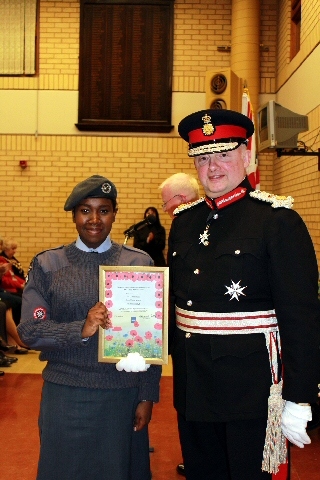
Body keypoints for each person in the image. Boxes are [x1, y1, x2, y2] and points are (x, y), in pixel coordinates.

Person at [168, 109, 320, 479]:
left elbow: (301, 316)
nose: (213, 167)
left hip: (251, 393)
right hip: (193, 386)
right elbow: (175, 303)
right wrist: (142, 348)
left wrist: (301, 395)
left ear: (245, 155)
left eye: (223, 154)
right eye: (203, 158)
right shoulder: (184, 222)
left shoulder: (276, 221)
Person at [17, 175, 161, 480]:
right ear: (74, 215)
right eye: (85, 210)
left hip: (121, 395)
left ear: (114, 213)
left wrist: (147, 396)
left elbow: (152, 340)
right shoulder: (48, 264)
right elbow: (29, 331)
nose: (94, 219)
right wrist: (80, 329)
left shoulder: (138, 263)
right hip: (65, 394)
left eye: (104, 210)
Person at [159, 172, 200, 477]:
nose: (164, 209)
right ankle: (196, 459)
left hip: (206, 333)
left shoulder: (198, 222)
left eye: (167, 203)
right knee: (185, 401)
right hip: (182, 333)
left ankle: (201, 459)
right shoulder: (180, 224)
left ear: (182, 199)